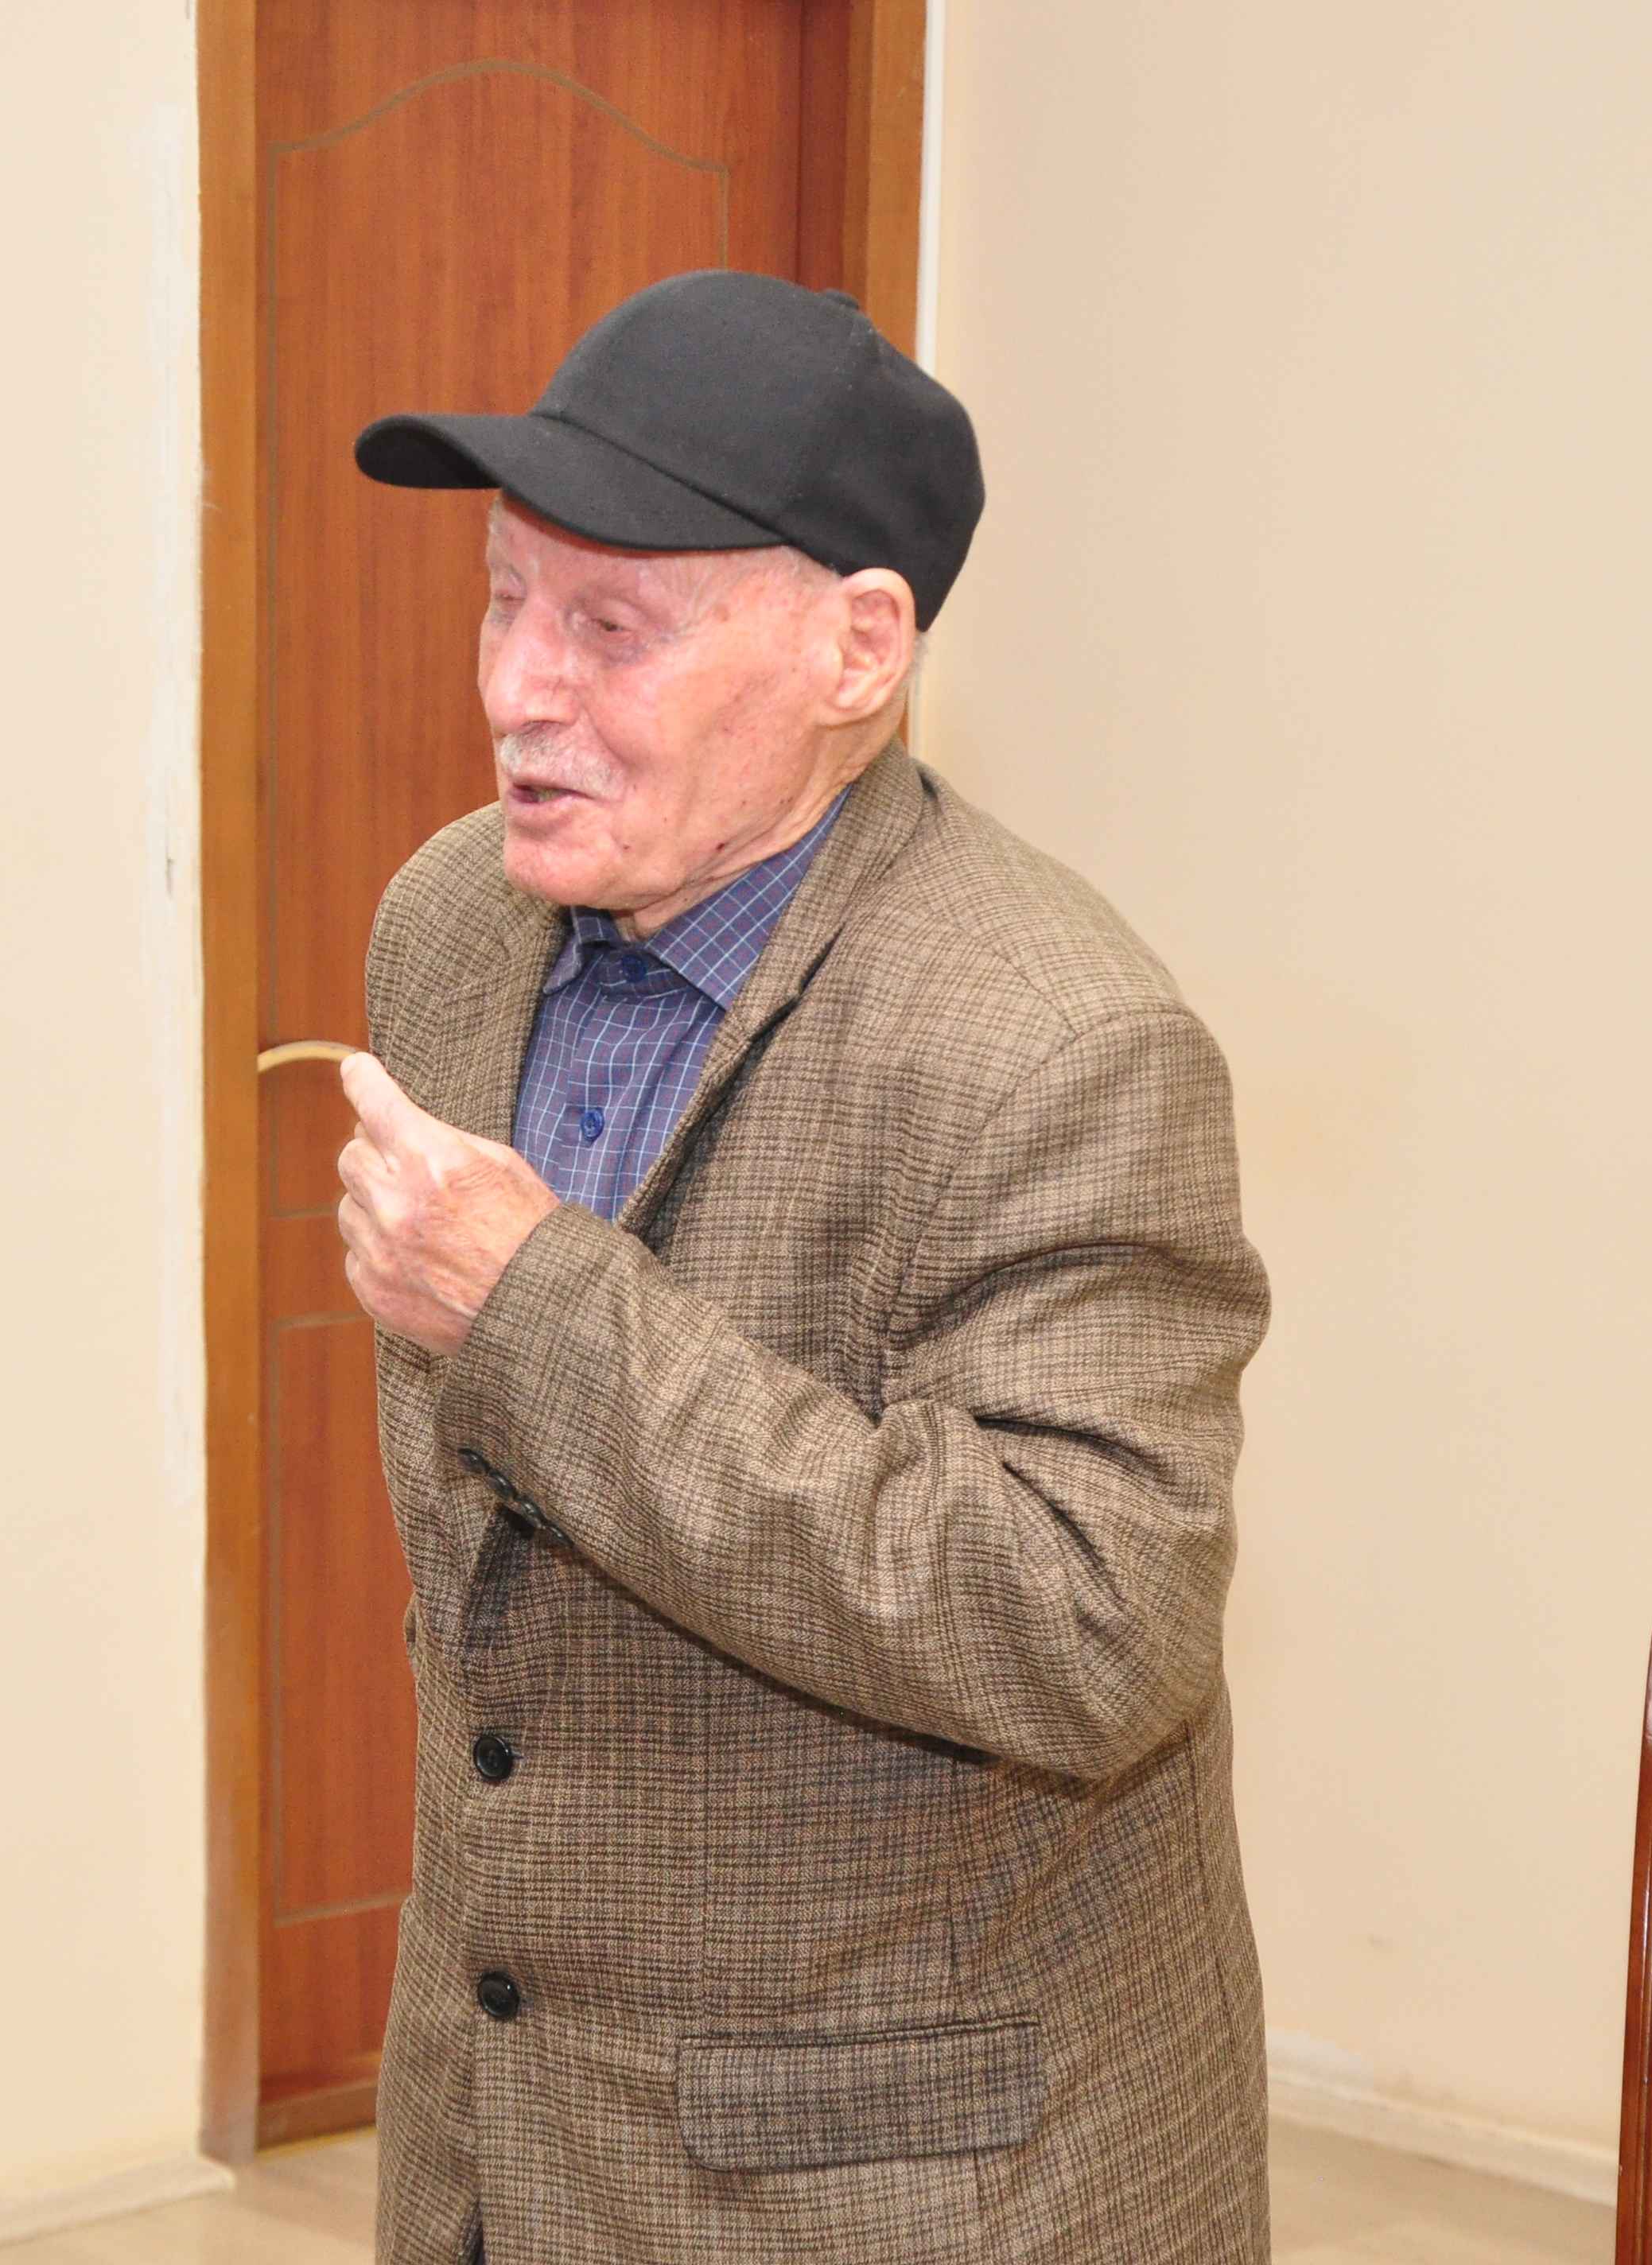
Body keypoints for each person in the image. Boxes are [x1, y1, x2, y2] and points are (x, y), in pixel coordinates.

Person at [331, 269, 1275, 2264]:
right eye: (504, 598)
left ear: (857, 648)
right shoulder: (447, 921)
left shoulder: (1055, 1041)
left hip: (898, 2182)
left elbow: (1086, 1627)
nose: (517, 687)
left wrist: (535, 1310)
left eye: (609, 627)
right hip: (501, 2142)